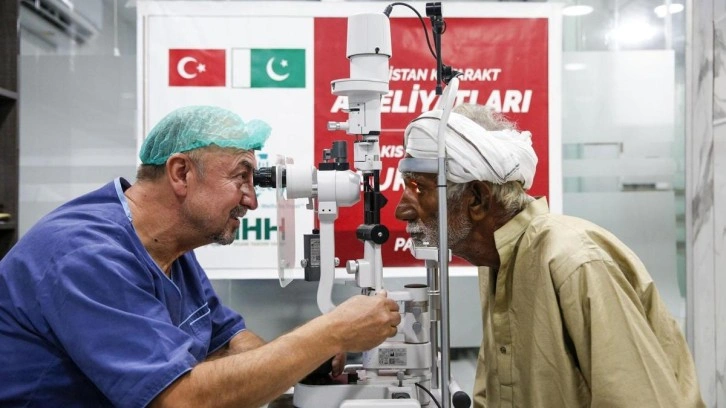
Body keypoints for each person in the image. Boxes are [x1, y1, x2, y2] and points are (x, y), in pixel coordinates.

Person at [0, 105, 401, 408]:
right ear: (181, 173)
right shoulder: (87, 255)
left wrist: (303, 357)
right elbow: (179, 400)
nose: (251, 200)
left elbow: (228, 342)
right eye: (241, 177)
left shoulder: (168, 247)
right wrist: (329, 333)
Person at [394, 103, 705, 408]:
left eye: (419, 189)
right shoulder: (497, 261)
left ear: (477, 199)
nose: (401, 210)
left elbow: (638, 398)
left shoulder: (573, 261)